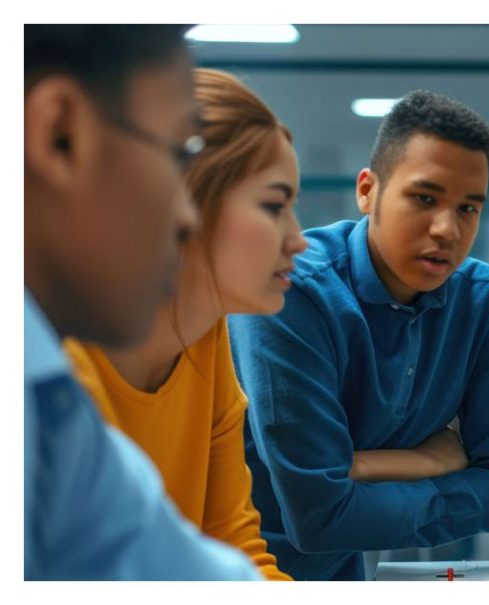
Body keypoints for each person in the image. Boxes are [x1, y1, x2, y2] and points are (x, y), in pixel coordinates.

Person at [229, 90, 489, 580]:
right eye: (424, 198)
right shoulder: (289, 289)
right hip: (235, 570)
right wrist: (428, 463)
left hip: (345, 572)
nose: (447, 230)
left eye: (468, 209)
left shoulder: (487, 301)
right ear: (367, 191)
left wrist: (360, 468)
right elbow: (319, 516)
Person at [24, 25, 261, 579]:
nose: (186, 215)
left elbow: (187, 570)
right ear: (60, 134)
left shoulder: (49, 408)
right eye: (180, 156)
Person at [62, 68, 306, 580]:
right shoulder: (58, 356)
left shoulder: (206, 332)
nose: (298, 239)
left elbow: (237, 548)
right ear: (187, 200)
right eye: (273, 206)